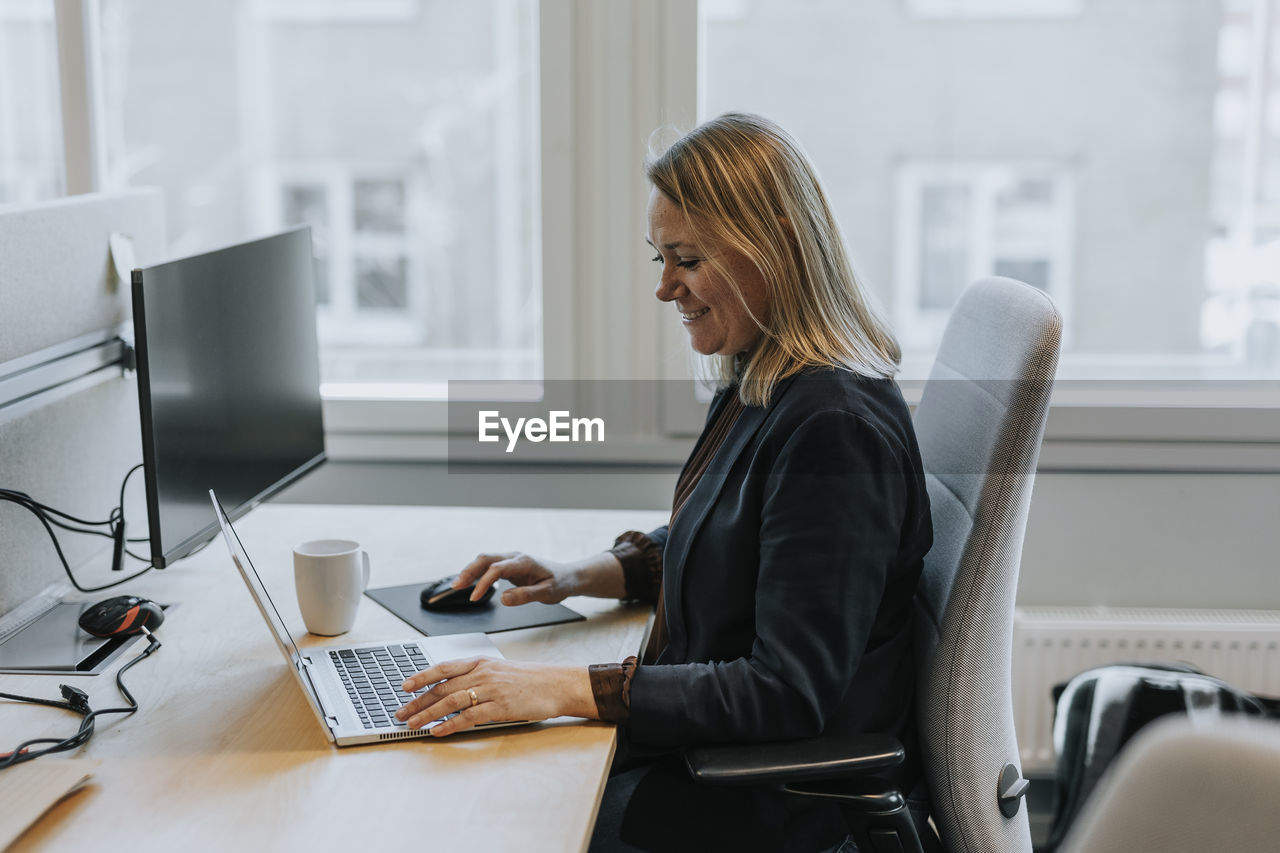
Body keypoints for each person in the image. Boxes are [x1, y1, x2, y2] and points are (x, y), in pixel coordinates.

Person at [394, 113, 933, 852]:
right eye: (659, 257)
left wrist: (560, 686)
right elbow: (732, 538)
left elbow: (786, 692)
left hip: (771, 798)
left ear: (772, 245)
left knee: (502, 814)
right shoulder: (764, 373)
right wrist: (581, 573)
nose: (666, 288)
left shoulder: (832, 428)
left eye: (686, 258)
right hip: (717, 762)